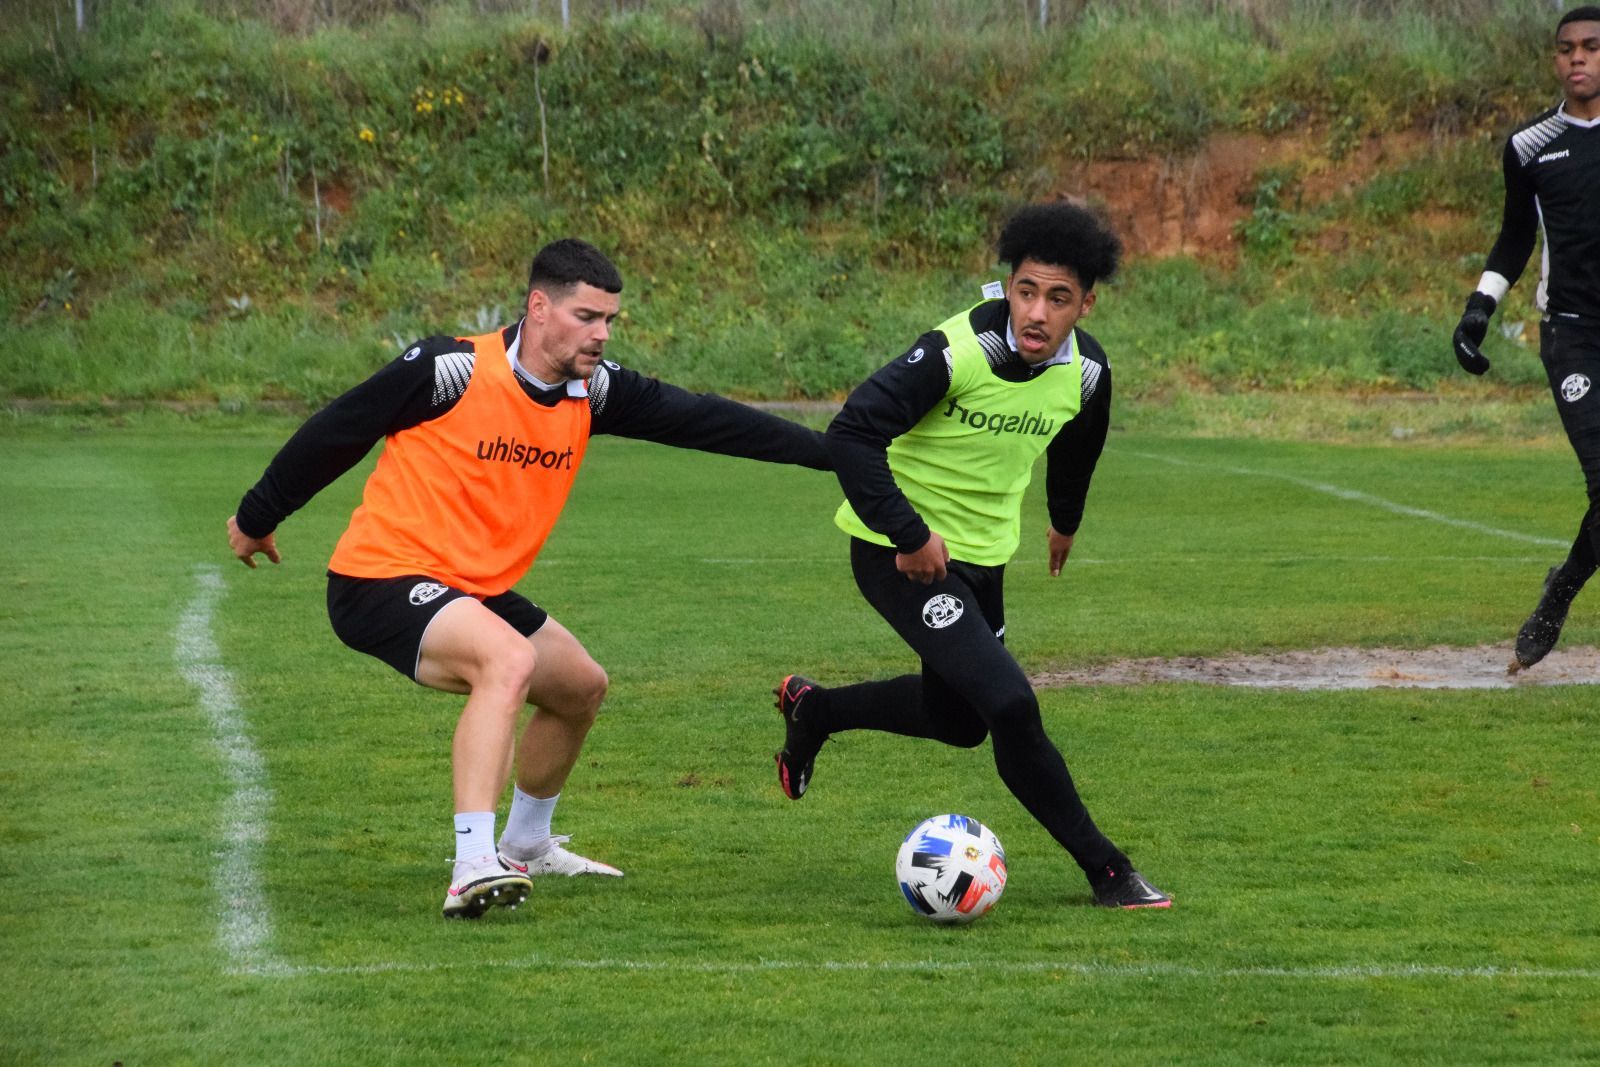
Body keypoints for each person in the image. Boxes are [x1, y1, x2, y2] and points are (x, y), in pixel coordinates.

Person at [228, 238, 830, 918]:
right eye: (586, 316)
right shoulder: (450, 370)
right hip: (380, 576)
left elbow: (705, 420)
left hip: (471, 588)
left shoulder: (592, 391)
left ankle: (525, 846)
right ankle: (471, 866)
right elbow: (337, 431)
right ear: (539, 307)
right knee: (508, 660)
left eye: (610, 320)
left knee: (579, 686)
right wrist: (257, 516)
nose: (601, 334)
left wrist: (828, 453)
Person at [772, 201, 1170, 909]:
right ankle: (1108, 870)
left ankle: (816, 710)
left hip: (983, 560)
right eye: (1026, 291)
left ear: (1087, 303)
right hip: (897, 553)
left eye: (1058, 298)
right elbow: (852, 432)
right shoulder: (957, 350)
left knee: (959, 720)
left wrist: (1065, 522)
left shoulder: (1087, 371)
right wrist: (908, 532)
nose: (1037, 313)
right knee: (1011, 704)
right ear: (1007, 286)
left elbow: (1078, 448)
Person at [1453, 7, 1600, 673]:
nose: (1579, 58)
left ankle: (1560, 586)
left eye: (1592, 47)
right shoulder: (1529, 146)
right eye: (1568, 49)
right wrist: (1478, 310)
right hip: (1573, 335)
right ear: (1555, 59)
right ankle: (1559, 599)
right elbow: (1515, 237)